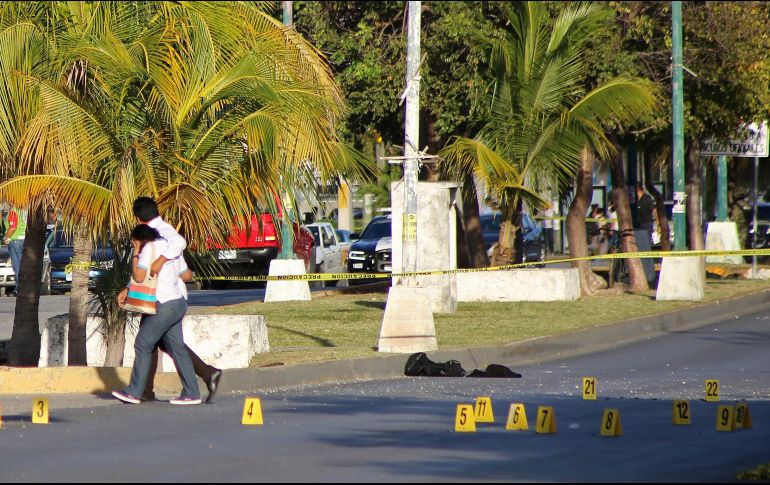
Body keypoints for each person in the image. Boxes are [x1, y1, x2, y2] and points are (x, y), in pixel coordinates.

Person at [123, 197, 222, 403]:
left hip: (162, 299)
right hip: (174, 299)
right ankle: (194, 386)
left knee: (145, 342)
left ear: (137, 218)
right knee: (170, 345)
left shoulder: (159, 236)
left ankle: (139, 391)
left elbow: (179, 243)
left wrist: (159, 261)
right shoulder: (161, 239)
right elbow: (186, 274)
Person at [113, 224, 202, 405]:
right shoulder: (170, 249)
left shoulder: (149, 248)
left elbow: (139, 276)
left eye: (134, 243)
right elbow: (185, 275)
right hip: (177, 302)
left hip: (162, 305)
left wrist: (137, 252)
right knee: (177, 348)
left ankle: (134, 391)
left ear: (139, 240)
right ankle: (192, 392)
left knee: (142, 343)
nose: (134, 246)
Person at [3, 205, 27, 294]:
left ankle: (19, 289)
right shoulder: (24, 210)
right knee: (24, 266)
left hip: (16, 241)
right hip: (25, 240)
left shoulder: (13, 211)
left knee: (17, 267)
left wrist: (5, 237)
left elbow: (12, 227)